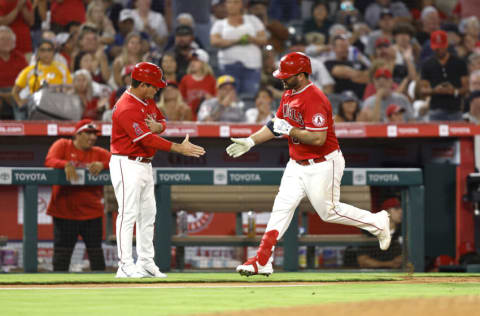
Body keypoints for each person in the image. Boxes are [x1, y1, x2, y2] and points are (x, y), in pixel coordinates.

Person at [227, 52, 391, 276]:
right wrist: (250, 141)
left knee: (328, 212)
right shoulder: (288, 93)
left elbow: (318, 139)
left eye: (287, 75)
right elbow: (276, 125)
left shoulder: (315, 98)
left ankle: (377, 222)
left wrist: (290, 130)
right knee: (281, 209)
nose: (282, 78)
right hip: (296, 164)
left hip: (323, 163)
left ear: (302, 75)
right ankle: (262, 259)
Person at [109, 62, 205, 278]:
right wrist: (177, 147)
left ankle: (145, 262)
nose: (157, 90)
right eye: (153, 86)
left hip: (144, 164)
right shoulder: (126, 106)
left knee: (148, 215)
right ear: (142, 84)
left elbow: (161, 122)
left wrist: (159, 127)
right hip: (126, 162)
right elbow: (146, 138)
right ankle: (124, 264)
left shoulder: (146, 99)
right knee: (128, 213)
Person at [45, 119, 111, 272]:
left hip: (91, 213)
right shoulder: (62, 145)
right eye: (88, 133)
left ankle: (102, 292)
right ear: (77, 134)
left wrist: (103, 164)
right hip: (65, 213)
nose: (93, 137)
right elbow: (49, 160)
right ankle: (58, 293)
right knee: (61, 259)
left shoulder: (99, 153)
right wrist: (66, 164)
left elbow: (119, 161)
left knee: (96, 257)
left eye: (95, 134)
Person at [357, 197, 403, 269]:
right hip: (371, 274)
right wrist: (389, 264)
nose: (401, 211)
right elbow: (363, 261)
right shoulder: (370, 231)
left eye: (401, 208)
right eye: (396, 209)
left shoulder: (404, 230)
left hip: (399, 274)